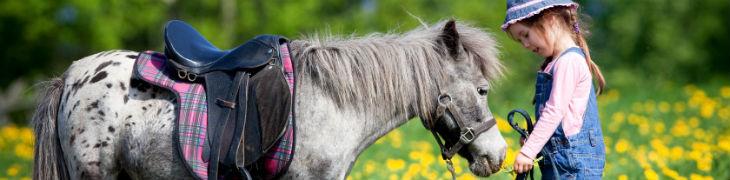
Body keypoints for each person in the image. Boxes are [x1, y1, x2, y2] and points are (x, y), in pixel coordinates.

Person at [501, 0, 607, 179]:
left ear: (550, 20)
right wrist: (534, 136)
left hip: (572, 164)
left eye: (525, 35)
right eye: (520, 40)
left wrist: (529, 151)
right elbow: (563, 118)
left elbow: (555, 111)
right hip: (560, 161)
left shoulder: (569, 61)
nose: (525, 44)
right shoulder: (555, 63)